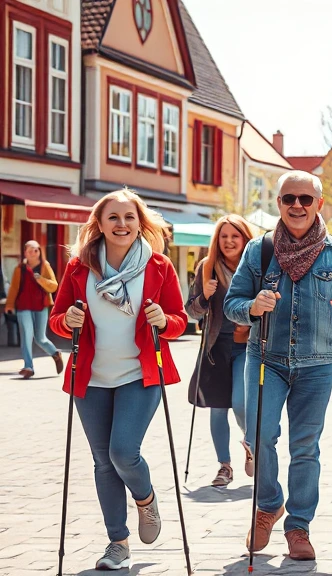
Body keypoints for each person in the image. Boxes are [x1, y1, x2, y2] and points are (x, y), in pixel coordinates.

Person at [224, 170, 332, 561]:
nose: (297, 205)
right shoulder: (260, 250)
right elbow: (232, 304)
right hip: (265, 358)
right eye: (289, 198)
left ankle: (299, 526)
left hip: (319, 363)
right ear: (279, 204)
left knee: (305, 446)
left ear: (319, 204)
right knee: (258, 436)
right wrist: (252, 307)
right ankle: (269, 503)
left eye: (306, 199)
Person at [48, 188, 188, 570]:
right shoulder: (79, 268)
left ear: (140, 223)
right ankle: (118, 543)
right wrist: (67, 322)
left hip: (140, 375)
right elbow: (57, 319)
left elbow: (178, 319)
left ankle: (145, 499)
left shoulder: (159, 266)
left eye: (129, 217)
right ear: (99, 223)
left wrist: (165, 321)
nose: (122, 224)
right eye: (113, 217)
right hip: (90, 378)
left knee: (122, 451)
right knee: (102, 461)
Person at [185, 215, 255, 487]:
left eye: (234, 236)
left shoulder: (254, 267)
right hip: (216, 347)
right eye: (224, 236)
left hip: (246, 346)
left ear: (244, 238)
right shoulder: (207, 267)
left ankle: (251, 446)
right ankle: (224, 466)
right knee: (217, 409)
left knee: (239, 402)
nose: (229, 241)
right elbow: (191, 311)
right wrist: (204, 295)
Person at [5, 240, 62, 378]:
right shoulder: (20, 269)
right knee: (26, 335)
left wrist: (41, 279)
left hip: (40, 306)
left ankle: (55, 353)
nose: (33, 253)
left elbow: (54, 286)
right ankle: (28, 366)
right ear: (25, 252)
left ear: (39, 252)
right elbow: (14, 288)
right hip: (24, 306)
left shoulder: (45, 266)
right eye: (30, 250)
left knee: (40, 338)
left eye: (36, 250)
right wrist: (10, 305)